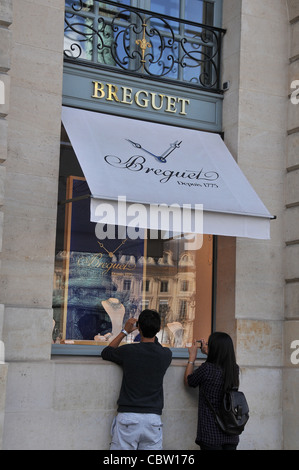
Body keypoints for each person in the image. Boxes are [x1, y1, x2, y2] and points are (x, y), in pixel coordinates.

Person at [101, 309, 172, 450]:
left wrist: (125, 331)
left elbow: (106, 352)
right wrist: (151, 331)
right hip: (153, 419)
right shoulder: (165, 354)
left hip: (129, 416)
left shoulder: (129, 351)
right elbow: (155, 345)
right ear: (158, 329)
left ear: (138, 328)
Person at [184, 332, 239, 450]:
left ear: (214, 348)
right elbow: (220, 364)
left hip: (210, 434)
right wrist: (209, 353)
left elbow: (189, 381)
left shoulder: (207, 369)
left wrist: (192, 358)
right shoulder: (234, 369)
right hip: (231, 432)